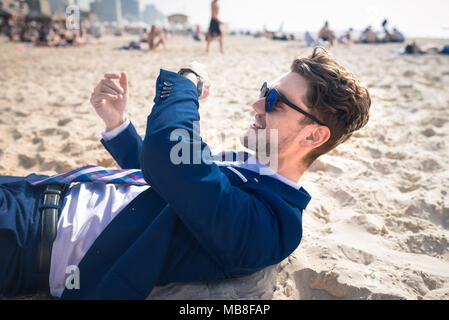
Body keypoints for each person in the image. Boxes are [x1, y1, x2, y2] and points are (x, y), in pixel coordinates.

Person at [0, 47, 371, 299]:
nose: (257, 104)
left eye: (275, 102)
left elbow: (170, 160)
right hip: (38, 191)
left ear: (314, 135)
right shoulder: (246, 165)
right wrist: (118, 125)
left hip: (27, 241)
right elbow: (166, 185)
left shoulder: (274, 226)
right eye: (264, 91)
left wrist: (187, 82)